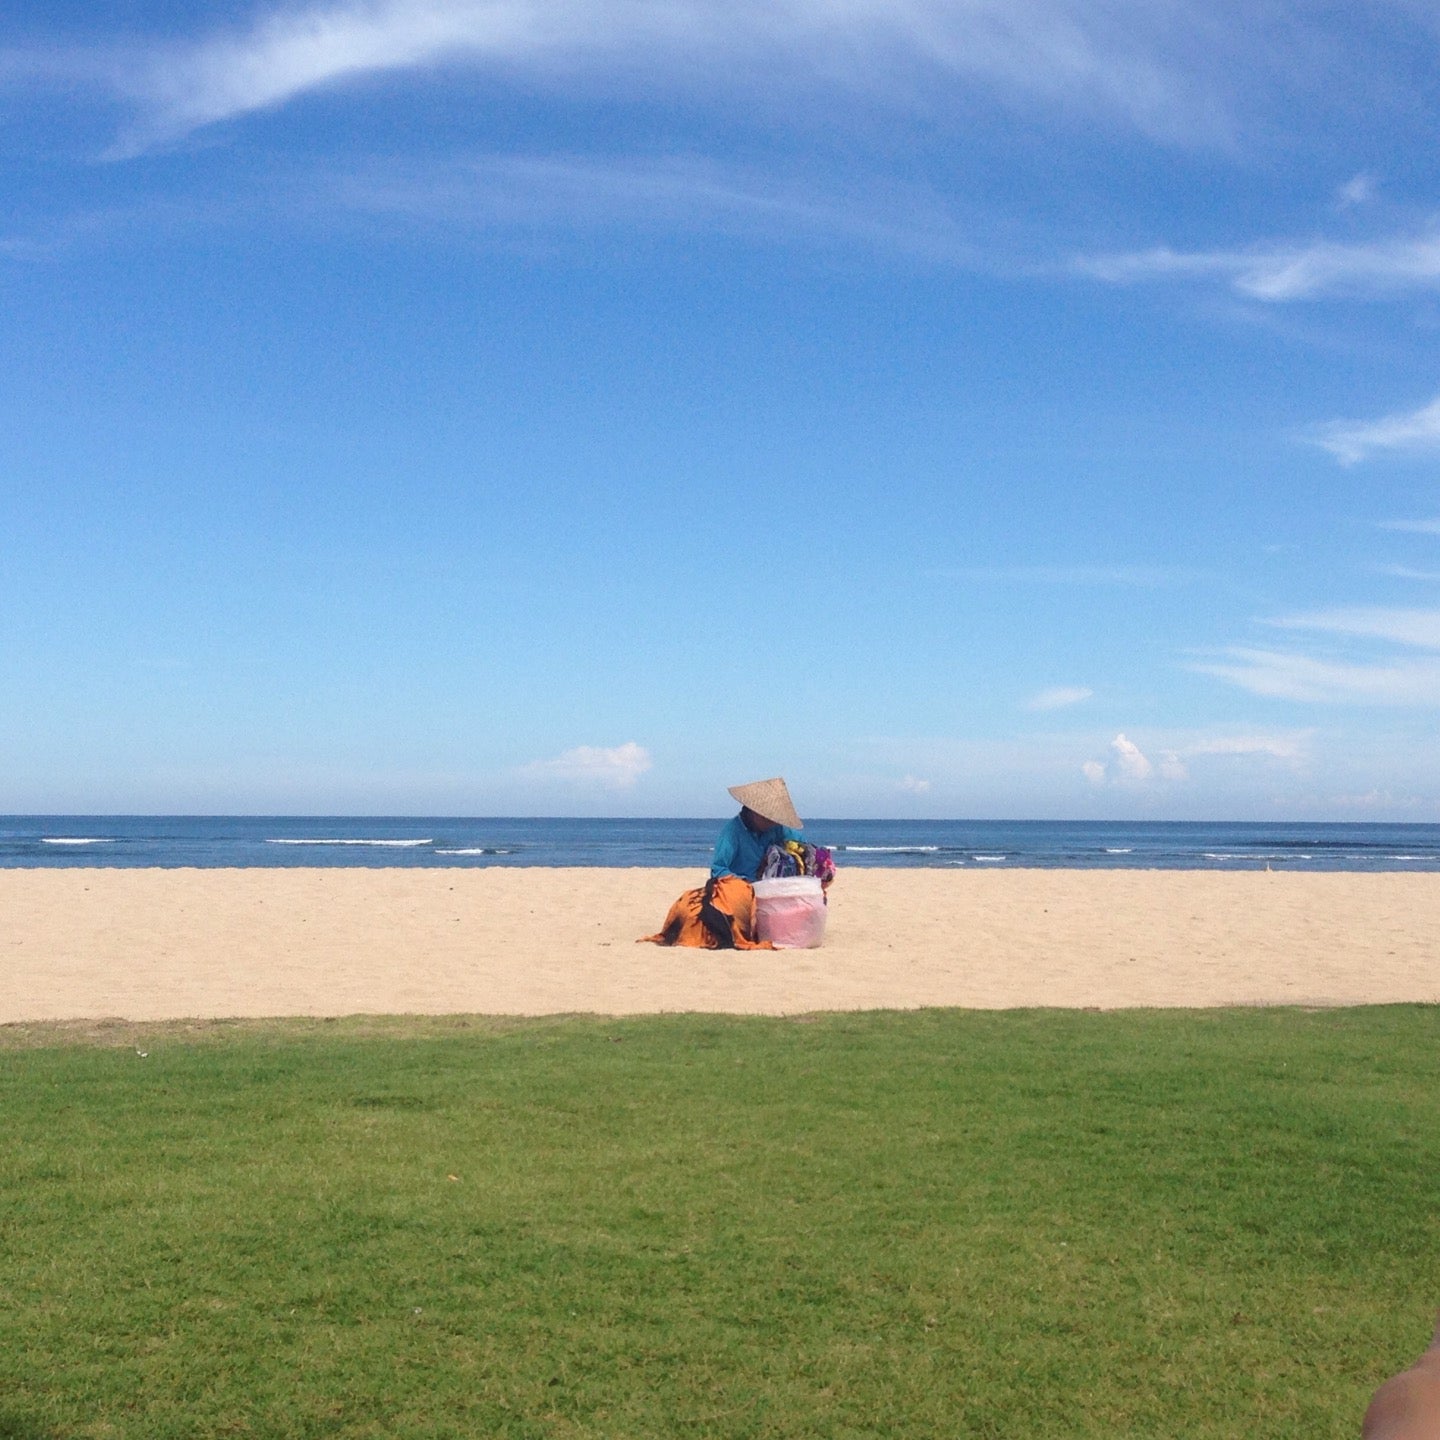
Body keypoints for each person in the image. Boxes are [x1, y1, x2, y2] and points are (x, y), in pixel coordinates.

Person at [711, 777, 804, 880]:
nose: (772, 823)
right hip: (742, 889)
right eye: (767, 818)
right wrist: (744, 885)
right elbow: (718, 870)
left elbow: (802, 845)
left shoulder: (777, 828)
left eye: (774, 819)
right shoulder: (732, 832)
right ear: (753, 811)